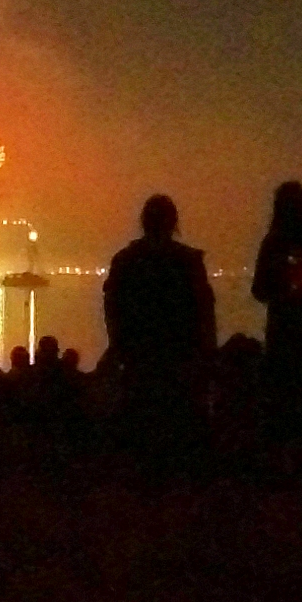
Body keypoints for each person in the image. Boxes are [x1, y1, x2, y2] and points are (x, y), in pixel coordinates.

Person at [103, 195, 216, 475]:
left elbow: (112, 308)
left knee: (142, 417)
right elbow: (204, 311)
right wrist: (207, 355)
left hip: (139, 353)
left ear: (143, 222)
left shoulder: (126, 261)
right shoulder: (188, 262)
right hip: (180, 354)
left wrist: (118, 346)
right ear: (173, 222)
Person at [252, 181, 302, 459]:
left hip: (284, 334)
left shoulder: (274, 243)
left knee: (284, 403)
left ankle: (286, 464)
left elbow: (259, 290)